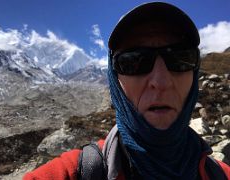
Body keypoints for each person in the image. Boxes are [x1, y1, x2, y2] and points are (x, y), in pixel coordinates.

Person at [24, 2, 230, 180]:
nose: (161, 81)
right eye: (133, 62)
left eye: (180, 59)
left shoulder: (222, 175)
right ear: (115, 80)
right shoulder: (74, 173)